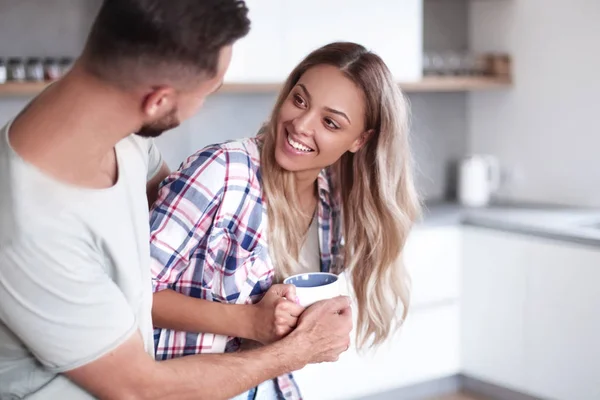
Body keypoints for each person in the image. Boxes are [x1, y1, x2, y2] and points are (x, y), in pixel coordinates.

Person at [0, 1, 353, 399]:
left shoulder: (115, 129)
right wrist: (297, 348)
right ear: (158, 101)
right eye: (207, 92)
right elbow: (140, 390)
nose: (203, 105)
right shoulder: (29, 226)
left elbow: (184, 209)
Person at [149, 41, 422, 399]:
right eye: (300, 100)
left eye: (329, 122)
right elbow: (133, 294)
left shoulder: (330, 201)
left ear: (360, 140)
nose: (301, 124)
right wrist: (249, 321)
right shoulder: (223, 172)